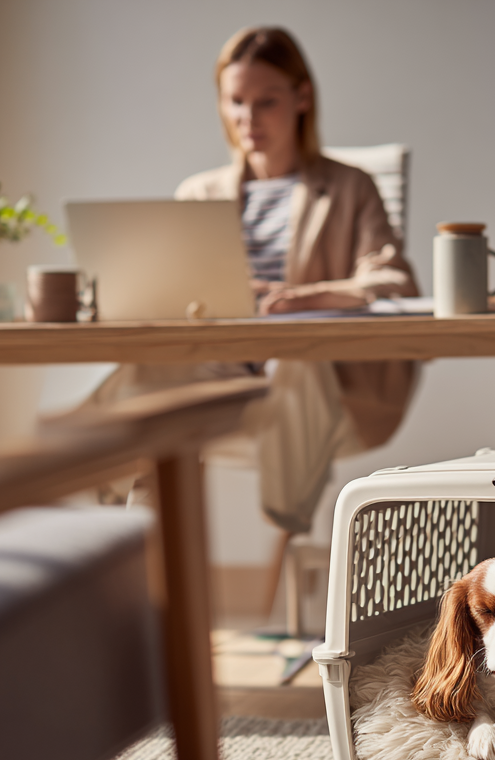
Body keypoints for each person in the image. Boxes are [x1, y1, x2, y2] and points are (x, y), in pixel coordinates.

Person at [94, 26, 420, 533]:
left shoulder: (350, 186)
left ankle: (285, 519)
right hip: (221, 377)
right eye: (236, 102)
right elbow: (173, 298)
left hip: (323, 385)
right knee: (143, 379)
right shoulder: (199, 193)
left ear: (302, 98)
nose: (248, 119)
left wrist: (308, 297)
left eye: (266, 101)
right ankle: (117, 532)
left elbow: (394, 279)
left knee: (295, 356)